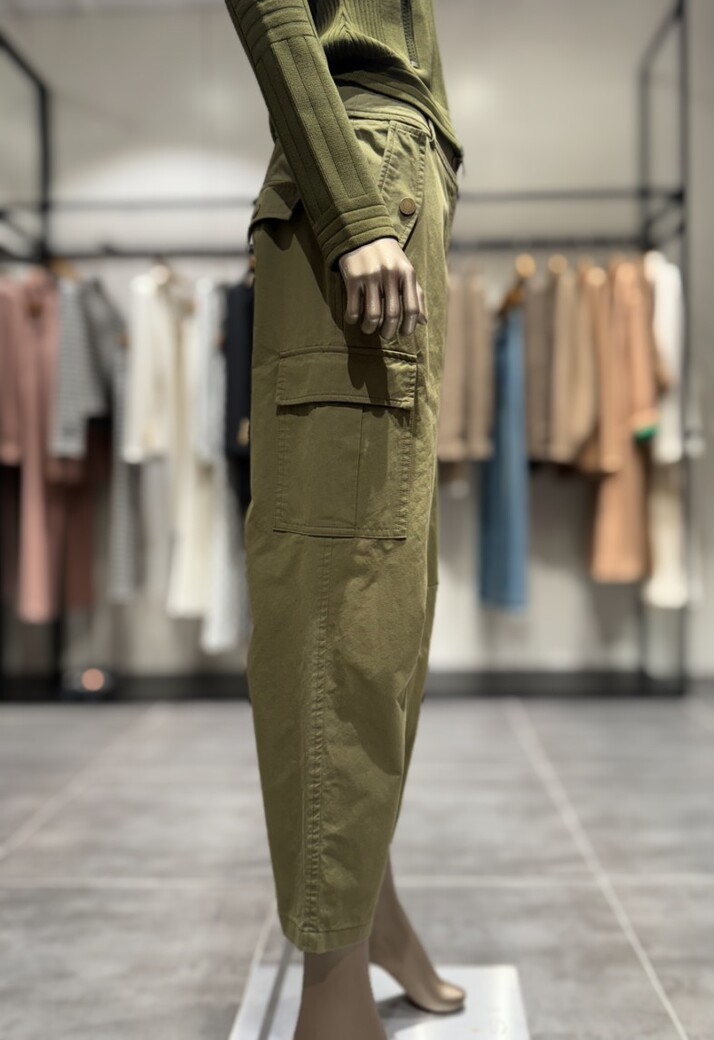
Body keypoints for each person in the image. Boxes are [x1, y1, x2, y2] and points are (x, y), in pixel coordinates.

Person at [222, 2, 465, 1036]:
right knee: (341, 612)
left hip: (391, 181)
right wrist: (356, 213)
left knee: (391, 605)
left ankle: (373, 917)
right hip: (359, 183)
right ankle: (331, 991)